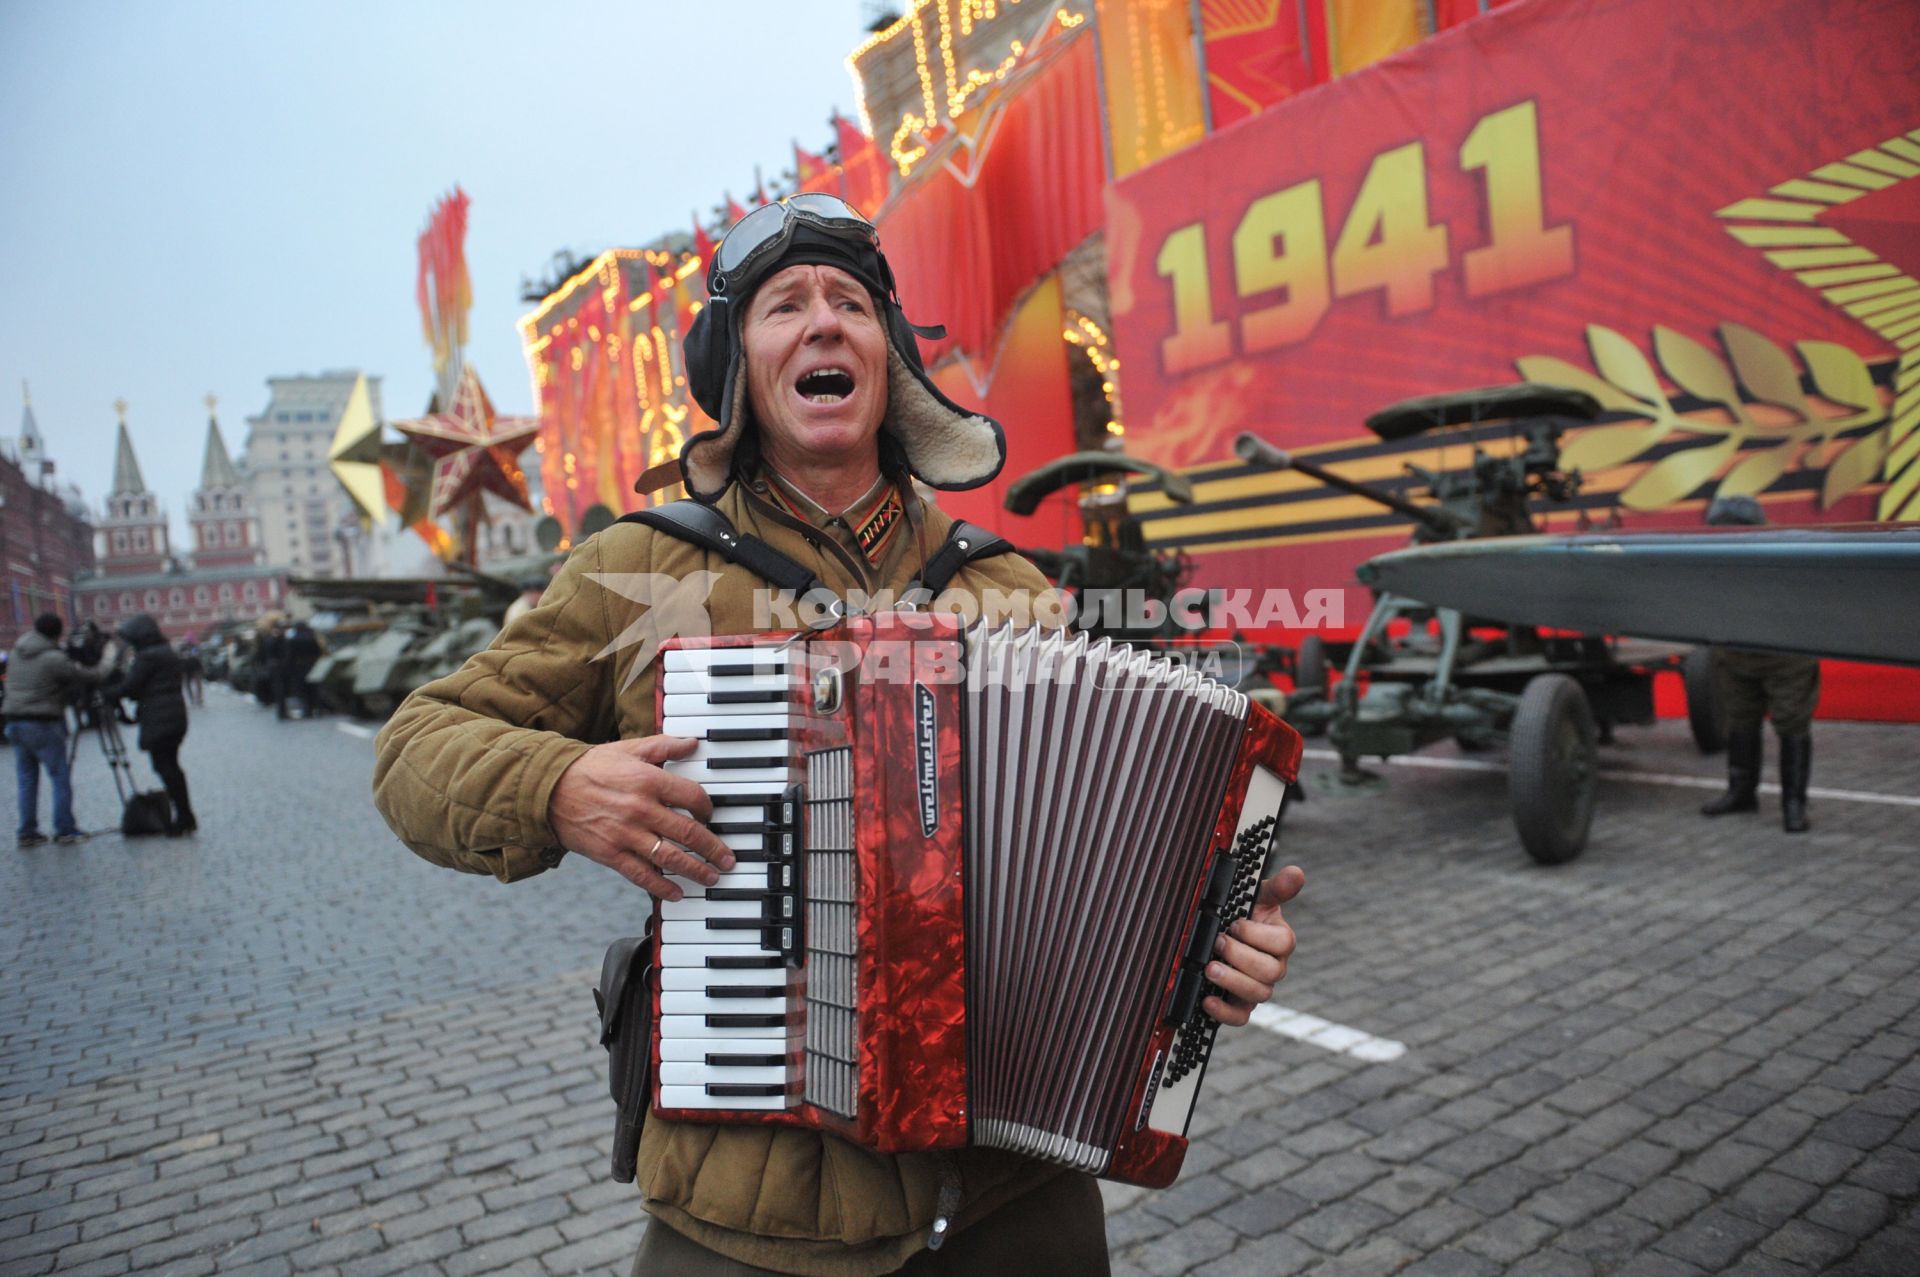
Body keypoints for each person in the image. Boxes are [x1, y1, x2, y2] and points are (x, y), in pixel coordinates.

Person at [373, 195, 1303, 1277]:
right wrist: (557, 783)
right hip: (753, 1216)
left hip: (1019, 1195)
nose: (822, 324)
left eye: (850, 304)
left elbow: (1121, 860)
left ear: (890, 359)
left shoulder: (1006, 586)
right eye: (785, 305)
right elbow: (415, 746)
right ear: (738, 368)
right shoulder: (645, 570)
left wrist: (1209, 950)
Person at [1698, 495, 1819, 832]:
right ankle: (1741, 793)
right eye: (1719, 532)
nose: (1725, 538)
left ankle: (1794, 803)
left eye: (1732, 531)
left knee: (1791, 723)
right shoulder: (1708, 556)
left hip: (1786, 656)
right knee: (1740, 721)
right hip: (1736, 654)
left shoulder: (1786, 552)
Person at [3, 613, 106, 847]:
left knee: (26, 779)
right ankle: (65, 828)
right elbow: (86, 677)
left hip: (14, 721)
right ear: (56, 633)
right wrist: (106, 663)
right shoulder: (53, 658)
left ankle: (27, 832)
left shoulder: (17, 653)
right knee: (59, 776)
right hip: (43, 722)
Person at [103, 614, 197, 836]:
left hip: (159, 717)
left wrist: (108, 692)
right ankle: (184, 815)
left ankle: (184, 817)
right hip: (171, 715)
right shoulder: (164, 651)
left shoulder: (148, 657)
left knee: (166, 768)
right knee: (170, 766)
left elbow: (131, 686)